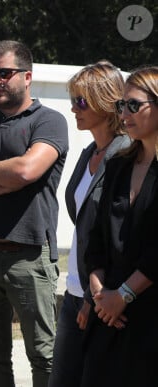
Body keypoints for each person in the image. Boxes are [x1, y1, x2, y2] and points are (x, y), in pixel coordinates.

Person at [0, 40, 69, 387]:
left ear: (27, 76)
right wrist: (7, 179)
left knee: (44, 354)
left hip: (29, 257)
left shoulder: (49, 121)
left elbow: (26, 170)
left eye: (5, 73)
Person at [49, 62, 130, 387]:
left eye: (81, 101)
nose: (73, 108)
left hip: (102, 296)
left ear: (104, 100)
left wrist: (91, 297)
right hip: (75, 291)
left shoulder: (125, 153)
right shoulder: (88, 152)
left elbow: (118, 235)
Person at [81, 66, 158, 387]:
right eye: (120, 106)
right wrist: (99, 292)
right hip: (109, 312)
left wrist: (123, 295)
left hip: (149, 311)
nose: (124, 114)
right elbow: (96, 236)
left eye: (134, 105)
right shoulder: (117, 165)